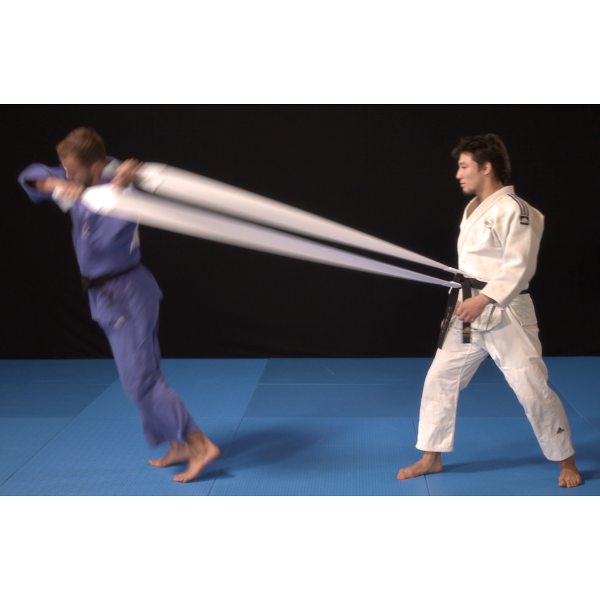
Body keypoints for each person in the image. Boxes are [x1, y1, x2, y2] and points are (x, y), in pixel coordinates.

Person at [18, 127, 220, 483]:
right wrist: (54, 184)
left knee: (140, 381)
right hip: (110, 295)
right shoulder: (83, 178)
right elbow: (30, 175)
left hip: (126, 295)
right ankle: (177, 445)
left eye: (73, 172)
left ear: (96, 167)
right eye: (65, 169)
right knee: (146, 374)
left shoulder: (125, 196)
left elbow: (100, 240)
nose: (67, 176)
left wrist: (112, 191)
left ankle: (200, 444)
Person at [397, 134, 582, 488]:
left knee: (531, 388)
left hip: (506, 312)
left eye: (464, 166)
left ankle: (566, 460)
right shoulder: (473, 209)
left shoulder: (517, 211)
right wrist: (457, 305)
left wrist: (482, 300)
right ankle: (431, 457)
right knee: (439, 379)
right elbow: (470, 270)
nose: (458, 174)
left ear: (486, 167)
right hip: (468, 310)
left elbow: (519, 267)